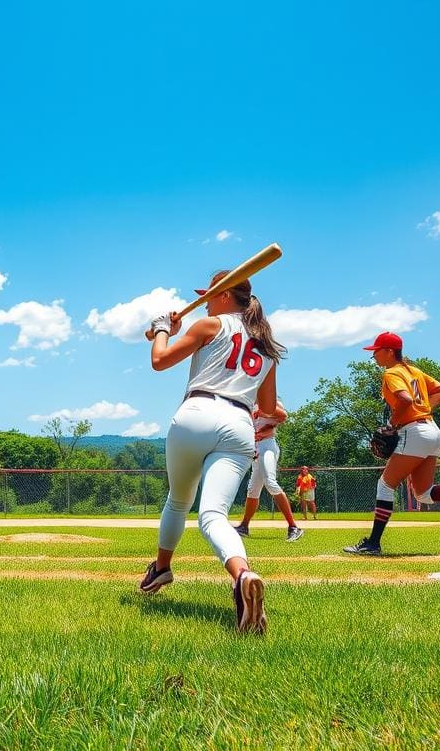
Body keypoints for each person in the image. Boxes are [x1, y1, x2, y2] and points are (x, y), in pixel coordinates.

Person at [138, 271, 285, 634]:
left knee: (178, 501)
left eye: (209, 295)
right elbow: (267, 407)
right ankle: (242, 575)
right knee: (214, 515)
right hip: (239, 423)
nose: (204, 300)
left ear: (223, 295)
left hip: (197, 414)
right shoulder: (266, 345)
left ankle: (161, 568)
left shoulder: (209, 325)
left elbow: (159, 360)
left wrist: (161, 330)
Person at [345, 332, 440, 556]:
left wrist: (394, 421)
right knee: (424, 493)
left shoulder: (392, 372)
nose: (374, 357)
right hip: (433, 432)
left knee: (385, 485)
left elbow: (405, 400)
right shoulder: (414, 371)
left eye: (376, 351)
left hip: (415, 432)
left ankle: (373, 543)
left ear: (390, 351)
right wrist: (425, 410)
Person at [234, 401, 303, 541]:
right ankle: (244, 526)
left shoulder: (268, 399)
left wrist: (264, 411)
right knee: (253, 489)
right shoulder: (248, 402)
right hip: (256, 447)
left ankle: (294, 527)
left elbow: (283, 416)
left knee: (270, 482)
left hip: (268, 445)